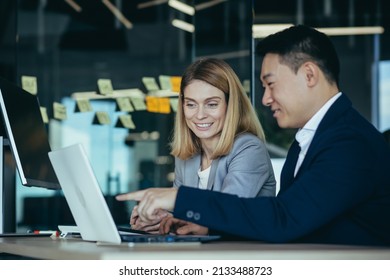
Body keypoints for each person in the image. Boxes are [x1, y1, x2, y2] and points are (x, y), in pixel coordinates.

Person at [116, 25, 390, 246]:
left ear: (309, 74)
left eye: (270, 84)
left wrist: (179, 199)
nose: (266, 98)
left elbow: (284, 219)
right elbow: (292, 221)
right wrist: (191, 221)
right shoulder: (310, 140)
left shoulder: (349, 142)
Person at [126, 57, 276, 233]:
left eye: (211, 104)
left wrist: (175, 205)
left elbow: (225, 212)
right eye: (191, 104)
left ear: (231, 105)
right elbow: (184, 217)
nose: (199, 115)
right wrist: (157, 219)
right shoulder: (186, 157)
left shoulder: (249, 149)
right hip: (200, 254)